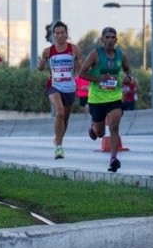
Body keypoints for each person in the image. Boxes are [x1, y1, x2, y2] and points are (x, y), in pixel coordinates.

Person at [78, 27, 133, 173]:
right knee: (101, 133)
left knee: (114, 126)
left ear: (116, 40)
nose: (109, 40)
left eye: (112, 37)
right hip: (97, 99)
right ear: (102, 39)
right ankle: (93, 128)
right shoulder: (95, 54)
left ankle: (113, 159)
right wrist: (97, 79)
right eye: (107, 37)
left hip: (114, 97)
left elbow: (127, 69)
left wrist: (128, 77)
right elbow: (81, 73)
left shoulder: (121, 55)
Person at [38, 21, 81, 159]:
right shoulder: (48, 51)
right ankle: (59, 147)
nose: (60, 35)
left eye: (62, 32)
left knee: (65, 118)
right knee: (60, 113)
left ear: (66, 34)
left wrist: (78, 61)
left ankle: (58, 138)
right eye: (57, 33)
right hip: (54, 85)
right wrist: (42, 63)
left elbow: (79, 71)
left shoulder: (74, 49)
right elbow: (40, 68)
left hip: (69, 86)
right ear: (53, 35)